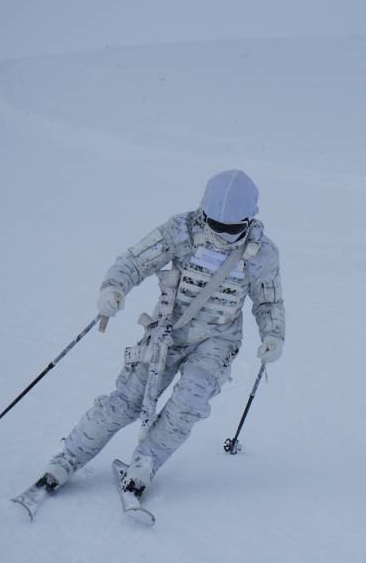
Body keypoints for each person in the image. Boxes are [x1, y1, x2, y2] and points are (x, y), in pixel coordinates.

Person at [37, 169, 285, 502]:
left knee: (187, 405)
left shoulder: (261, 253)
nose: (224, 234)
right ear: (204, 213)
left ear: (249, 218)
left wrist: (273, 335)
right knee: (128, 400)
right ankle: (67, 459)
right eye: (217, 225)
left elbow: (268, 300)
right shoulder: (182, 230)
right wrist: (114, 288)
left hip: (217, 340)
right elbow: (135, 260)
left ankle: (144, 465)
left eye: (233, 227)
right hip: (169, 330)